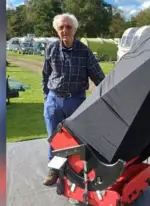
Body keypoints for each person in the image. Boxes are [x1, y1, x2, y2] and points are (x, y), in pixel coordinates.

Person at [41, 13, 106, 186]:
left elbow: (100, 78)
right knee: (53, 138)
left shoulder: (85, 52)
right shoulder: (51, 49)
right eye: (61, 27)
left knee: (77, 139)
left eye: (69, 27)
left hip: (76, 101)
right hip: (53, 101)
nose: (65, 30)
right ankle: (54, 169)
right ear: (57, 30)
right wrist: (47, 99)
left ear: (75, 30)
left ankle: (76, 171)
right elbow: (45, 76)